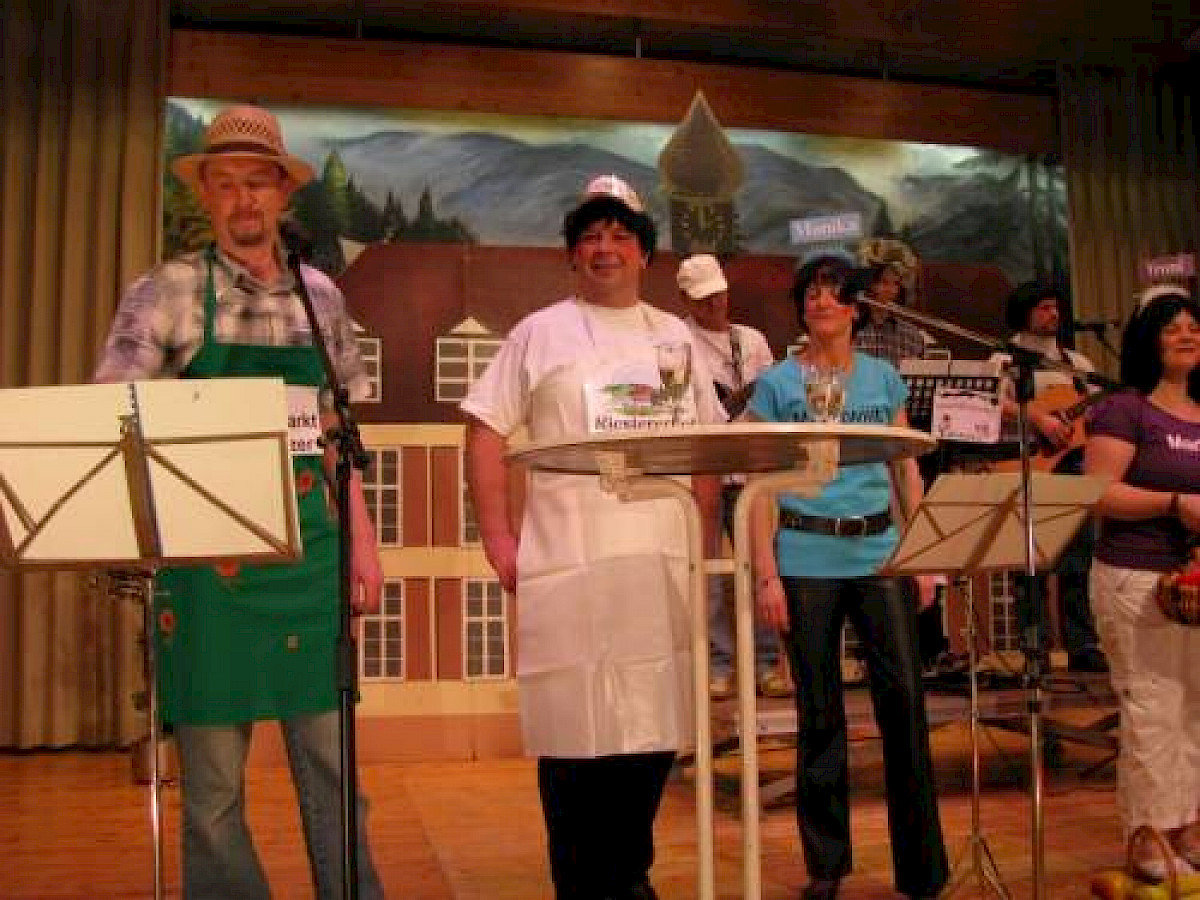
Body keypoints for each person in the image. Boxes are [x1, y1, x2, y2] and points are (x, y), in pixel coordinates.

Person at [93, 104, 386, 900]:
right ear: (207, 196)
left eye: (257, 182)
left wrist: (362, 543)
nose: (243, 199)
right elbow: (113, 413)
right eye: (225, 184)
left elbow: (341, 430)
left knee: (335, 773)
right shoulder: (167, 290)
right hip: (205, 564)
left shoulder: (322, 298)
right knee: (215, 792)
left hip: (310, 557)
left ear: (283, 194)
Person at [461, 175, 724, 900]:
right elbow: (484, 429)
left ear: (645, 254)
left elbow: (707, 447)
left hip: (658, 563)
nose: (605, 248)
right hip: (568, 564)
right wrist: (497, 536)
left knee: (653, 726)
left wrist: (704, 540)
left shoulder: (674, 337)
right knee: (573, 735)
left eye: (620, 236)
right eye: (590, 237)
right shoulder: (538, 332)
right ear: (572, 255)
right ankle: (583, 886)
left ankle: (628, 875)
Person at [747, 255, 948, 900]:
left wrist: (922, 555)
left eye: (834, 292)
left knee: (904, 706)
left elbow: (905, 469)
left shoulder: (884, 378)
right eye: (811, 292)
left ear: (857, 308)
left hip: (880, 553)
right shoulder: (776, 383)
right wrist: (766, 575)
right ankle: (826, 867)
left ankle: (921, 869)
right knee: (819, 713)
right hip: (804, 555)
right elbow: (760, 485)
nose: (821, 301)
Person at [1084, 284, 1200, 882]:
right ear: (1146, 340)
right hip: (1135, 576)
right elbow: (1098, 493)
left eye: (1194, 326)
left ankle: (1188, 831)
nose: (1187, 334)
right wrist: (1175, 502)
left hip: (1194, 583)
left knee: (1194, 711)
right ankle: (1149, 840)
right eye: (1171, 326)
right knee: (1153, 710)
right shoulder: (1125, 409)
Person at [676, 252, 787, 699]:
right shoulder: (676, 339)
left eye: (718, 294)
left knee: (760, 566)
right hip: (702, 469)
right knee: (707, 570)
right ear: (685, 299)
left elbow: (772, 396)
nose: (713, 304)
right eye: (702, 298)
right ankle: (718, 663)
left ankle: (765, 662)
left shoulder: (751, 340)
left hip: (750, 468)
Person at [849, 261, 963, 678]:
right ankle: (874, 648)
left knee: (918, 539)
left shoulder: (913, 334)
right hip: (862, 452)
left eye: (896, 283)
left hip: (908, 446)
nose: (890, 290)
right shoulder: (854, 333)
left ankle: (928, 646)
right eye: (883, 282)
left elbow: (934, 378)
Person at [991, 281, 1108, 673]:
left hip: (1073, 465)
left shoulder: (1076, 362)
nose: (1053, 315)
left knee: (1079, 559)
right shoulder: (1004, 357)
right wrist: (1039, 418)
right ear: (1024, 312)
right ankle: (1034, 648)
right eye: (1044, 307)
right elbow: (992, 401)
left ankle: (1082, 645)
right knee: (1030, 562)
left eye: (1056, 307)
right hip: (1027, 462)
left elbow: (1096, 407)